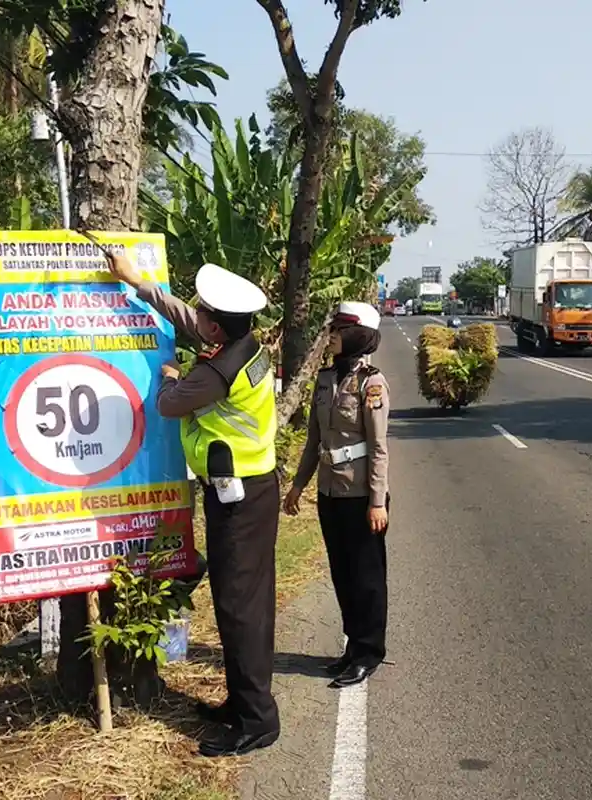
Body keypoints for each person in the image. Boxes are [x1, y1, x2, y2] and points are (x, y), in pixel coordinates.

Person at [104, 252, 280, 758]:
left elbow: (167, 404)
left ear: (217, 328)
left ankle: (257, 721)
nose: (196, 316)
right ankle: (245, 702)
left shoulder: (214, 374)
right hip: (253, 487)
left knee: (238, 608)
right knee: (248, 603)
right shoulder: (243, 346)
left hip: (239, 500)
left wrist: (168, 374)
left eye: (204, 314)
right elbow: (189, 319)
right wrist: (138, 283)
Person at [284, 302, 390, 689]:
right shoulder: (326, 379)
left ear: (356, 336)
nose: (331, 336)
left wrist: (377, 500)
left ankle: (368, 652)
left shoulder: (371, 384)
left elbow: (378, 448)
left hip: (361, 495)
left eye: (338, 330)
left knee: (367, 577)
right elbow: (314, 439)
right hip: (331, 491)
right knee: (342, 575)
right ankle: (351, 647)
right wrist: (298, 484)